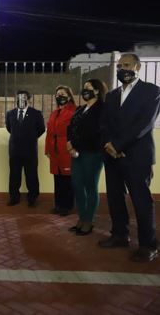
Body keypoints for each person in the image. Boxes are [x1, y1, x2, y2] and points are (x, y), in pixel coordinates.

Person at [99, 53, 160, 262]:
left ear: (138, 67)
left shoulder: (152, 91)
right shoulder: (112, 95)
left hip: (137, 156)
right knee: (115, 199)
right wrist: (109, 144)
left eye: (126, 65)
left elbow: (144, 124)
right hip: (112, 156)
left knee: (141, 201)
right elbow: (105, 123)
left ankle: (148, 245)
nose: (122, 69)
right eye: (119, 66)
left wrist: (118, 145)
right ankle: (120, 235)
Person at [66, 79, 107, 236]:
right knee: (77, 185)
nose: (84, 91)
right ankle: (81, 217)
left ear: (97, 91)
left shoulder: (102, 109)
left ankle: (88, 221)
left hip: (93, 153)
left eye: (88, 88)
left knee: (90, 186)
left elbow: (97, 132)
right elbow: (71, 127)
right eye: (84, 88)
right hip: (76, 152)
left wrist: (75, 144)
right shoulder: (80, 109)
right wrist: (69, 143)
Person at [5, 90, 45, 207]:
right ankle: (14, 197)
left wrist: (30, 138)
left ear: (29, 99)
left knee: (31, 175)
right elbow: (9, 128)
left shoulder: (36, 114)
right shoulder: (10, 113)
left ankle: (32, 198)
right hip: (14, 150)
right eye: (18, 98)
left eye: (23, 98)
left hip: (30, 150)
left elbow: (41, 129)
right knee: (14, 175)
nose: (20, 100)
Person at [45, 85, 76, 216]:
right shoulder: (54, 112)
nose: (60, 96)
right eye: (58, 94)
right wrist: (47, 149)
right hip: (54, 150)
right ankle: (58, 205)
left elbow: (75, 132)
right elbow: (49, 133)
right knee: (57, 179)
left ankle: (67, 206)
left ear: (69, 96)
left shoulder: (74, 111)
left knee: (67, 179)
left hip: (66, 149)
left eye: (63, 94)